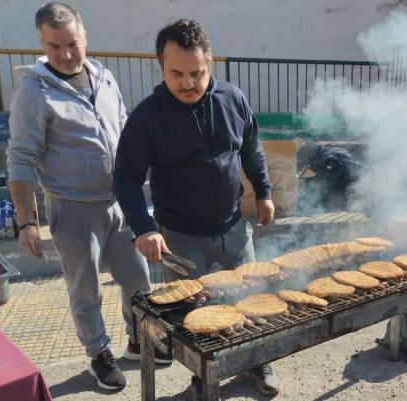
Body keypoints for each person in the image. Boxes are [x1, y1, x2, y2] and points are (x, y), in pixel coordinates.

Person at [6, 2, 170, 392]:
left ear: (85, 38)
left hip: (120, 201)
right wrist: (27, 221)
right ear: (42, 44)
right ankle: (98, 354)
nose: (65, 54)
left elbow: (127, 128)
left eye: (72, 44)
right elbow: (20, 158)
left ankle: (138, 340)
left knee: (138, 279)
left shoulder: (103, 76)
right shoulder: (32, 90)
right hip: (73, 209)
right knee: (85, 287)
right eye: (54, 46)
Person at [113, 19, 278, 396]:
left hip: (234, 227)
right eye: (177, 74)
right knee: (194, 318)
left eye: (197, 73)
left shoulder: (233, 99)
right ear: (161, 68)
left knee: (249, 298)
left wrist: (264, 191)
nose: (188, 83)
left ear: (210, 65)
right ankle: (205, 379)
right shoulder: (147, 117)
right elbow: (125, 177)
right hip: (181, 238)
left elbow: (250, 148)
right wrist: (144, 227)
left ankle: (255, 362)